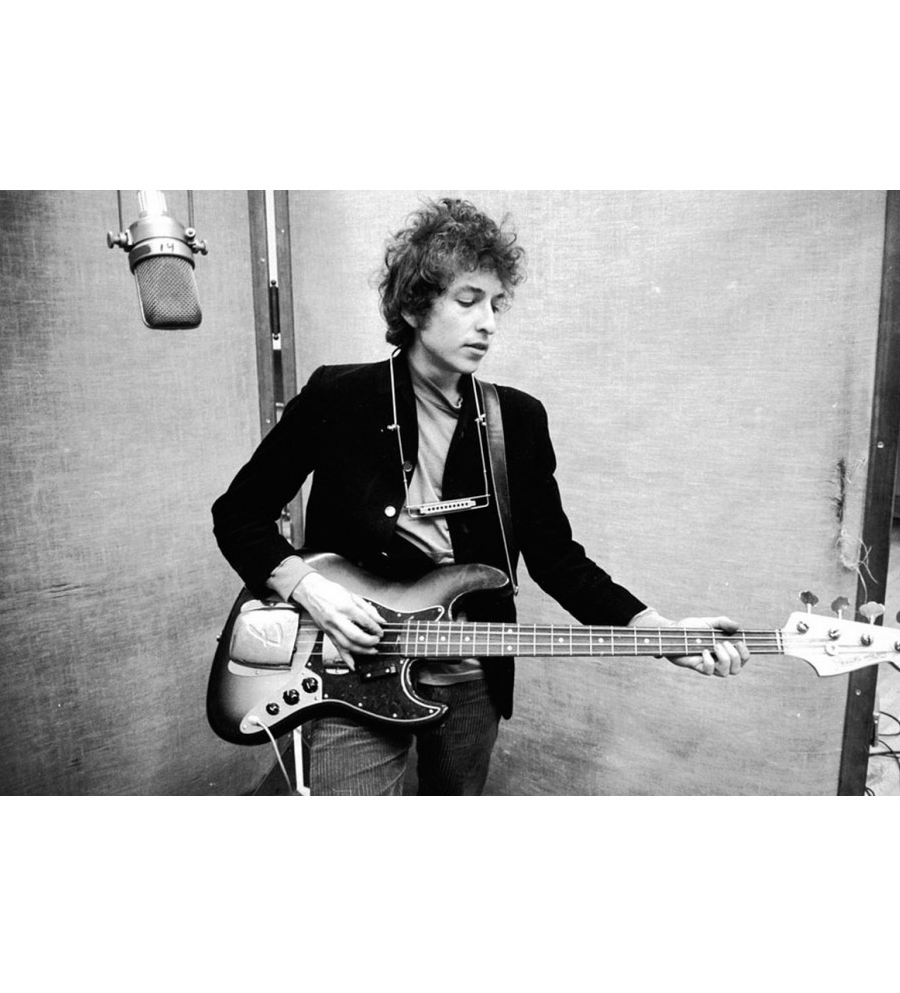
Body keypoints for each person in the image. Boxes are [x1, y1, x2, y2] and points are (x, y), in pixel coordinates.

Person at [212, 197, 749, 795]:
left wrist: (656, 629)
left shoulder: (516, 418)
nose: (488, 322)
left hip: (471, 679)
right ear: (415, 305)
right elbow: (238, 515)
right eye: (468, 301)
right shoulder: (338, 397)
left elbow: (555, 557)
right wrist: (312, 590)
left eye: (496, 303)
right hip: (350, 665)